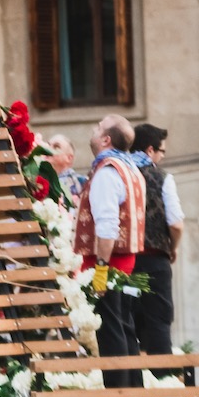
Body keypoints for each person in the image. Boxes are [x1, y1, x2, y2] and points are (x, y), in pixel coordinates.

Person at [75, 112, 146, 375]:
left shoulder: (107, 172)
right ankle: (132, 393)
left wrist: (101, 271)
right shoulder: (130, 169)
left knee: (110, 327)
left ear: (106, 140)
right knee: (125, 325)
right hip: (127, 262)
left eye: (97, 127)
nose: (93, 130)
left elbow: (107, 226)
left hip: (107, 263)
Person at [131, 119, 184, 356]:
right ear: (150, 150)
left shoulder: (118, 175)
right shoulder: (163, 178)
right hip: (154, 263)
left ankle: (134, 382)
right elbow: (176, 224)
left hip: (128, 264)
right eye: (161, 151)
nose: (162, 157)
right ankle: (163, 384)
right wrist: (172, 247)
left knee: (132, 319)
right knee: (158, 320)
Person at [49, 133, 85, 203]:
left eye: (56, 147)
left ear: (69, 158)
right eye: (48, 145)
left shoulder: (82, 182)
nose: (48, 149)